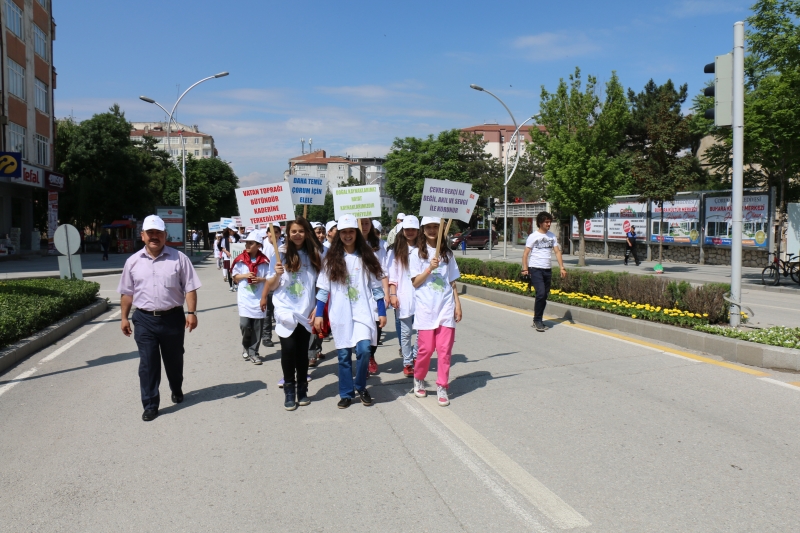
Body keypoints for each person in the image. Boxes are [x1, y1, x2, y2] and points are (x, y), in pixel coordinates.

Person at [118, 214, 201, 422]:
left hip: (172, 318)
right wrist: (124, 317)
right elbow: (127, 293)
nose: (154, 237)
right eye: (150, 233)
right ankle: (150, 404)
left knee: (174, 360)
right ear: (143, 235)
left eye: (158, 233)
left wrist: (191, 313)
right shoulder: (133, 262)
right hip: (144, 320)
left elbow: (190, 288)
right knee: (148, 363)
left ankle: (176, 387)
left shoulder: (179, 258)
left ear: (165, 235)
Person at [315, 214, 386, 409]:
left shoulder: (366, 256)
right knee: (344, 356)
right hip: (341, 314)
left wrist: (382, 311)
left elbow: (377, 287)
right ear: (339, 234)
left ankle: (361, 386)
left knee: (364, 350)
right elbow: (323, 289)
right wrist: (319, 313)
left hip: (363, 311)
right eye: (344, 232)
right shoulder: (331, 260)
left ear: (356, 233)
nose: (347, 235)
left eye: (351, 232)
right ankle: (346, 393)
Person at [266, 218, 322, 410]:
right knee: (288, 351)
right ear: (287, 234)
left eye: (301, 231)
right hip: (285, 312)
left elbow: (321, 284)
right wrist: (277, 274)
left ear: (306, 233)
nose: (297, 235)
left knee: (302, 353)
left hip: (306, 312)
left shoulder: (314, 254)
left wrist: (318, 308)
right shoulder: (279, 254)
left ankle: (302, 390)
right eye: (293, 231)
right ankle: (289, 390)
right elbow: (272, 286)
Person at [410, 217, 462, 407]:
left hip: (445, 307)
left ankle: (442, 386)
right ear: (423, 230)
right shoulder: (416, 253)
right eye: (429, 227)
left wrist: (457, 303)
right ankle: (419, 377)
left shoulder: (447, 253)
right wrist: (429, 269)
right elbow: (415, 282)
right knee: (425, 350)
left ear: (441, 229)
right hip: (425, 308)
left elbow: (452, 281)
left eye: (436, 227)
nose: (432, 230)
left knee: (444, 350)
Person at [521, 211, 567, 332]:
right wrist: (525, 269)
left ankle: (538, 318)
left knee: (544, 295)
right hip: (535, 268)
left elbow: (557, 252)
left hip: (547, 269)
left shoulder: (552, 236)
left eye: (550, 221)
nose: (549, 224)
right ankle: (537, 320)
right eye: (546, 222)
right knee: (540, 293)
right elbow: (525, 254)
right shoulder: (533, 236)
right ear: (540, 223)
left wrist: (562, 267)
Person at [388, 215, 419, 377]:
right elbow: (392, 275)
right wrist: (393, 294)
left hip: (422, 297)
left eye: (413, 229)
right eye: (407, 229)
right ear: (403, 231)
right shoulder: (396, 251)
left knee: (422, 334)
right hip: (404, 296)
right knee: (406, 334)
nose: (410, 232)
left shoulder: (424, 249)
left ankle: (415, 357)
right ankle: (407, 363)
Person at [231, 232, 270, 365]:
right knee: (245, 325)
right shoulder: (241, 260)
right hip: (245, 299)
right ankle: (246, 345)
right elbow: (234, 277)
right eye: (246, 242)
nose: (247, 245)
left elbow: (271, 279)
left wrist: (260, 279)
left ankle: (254, 352)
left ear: (258, 245)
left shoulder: (265, 262)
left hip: (259, 298)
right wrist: (245, 275)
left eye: (251, 243)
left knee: (258, 327)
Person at [360, 217, 389, 374]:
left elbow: (383, 270)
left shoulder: (378, 245)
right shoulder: (350, 243)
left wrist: (387, 292)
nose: (364, 226)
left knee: (378, 325)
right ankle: (362, 357)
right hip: (357, 293)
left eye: (366, 223)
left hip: (376, 291)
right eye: (361, 223)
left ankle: (370, 355)